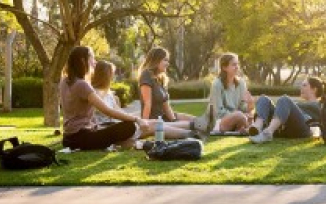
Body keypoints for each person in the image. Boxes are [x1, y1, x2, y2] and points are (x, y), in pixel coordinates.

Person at [60, 47, 212, 151]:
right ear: (82, 61)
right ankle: (189, 135)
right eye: (91, 58)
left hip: (71, 137)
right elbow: (108, 111)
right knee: (129, 127)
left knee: (139, 128)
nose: (94, 62)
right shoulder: (82, 85)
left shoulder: (65, 81)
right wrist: (136, 120)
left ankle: (189, 135)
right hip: (80, 137)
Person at [138, 47, 214, 135]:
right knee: (193, 126)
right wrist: (145, 125)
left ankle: (214, 125)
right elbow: (147, 103)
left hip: (165, 117)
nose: (168, 63)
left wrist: (174, 121)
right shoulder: (146, 75)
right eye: (165, 60)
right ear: (156, 60)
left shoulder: (160, 78)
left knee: (199, 121)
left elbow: (165, 105)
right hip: (155, 121)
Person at [248, 77, 326, 144]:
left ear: (314, 89)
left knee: (284, 99)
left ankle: (268, 132)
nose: (301, 88)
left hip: (302, 130)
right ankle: (257, 127)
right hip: (284, 129)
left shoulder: (319, 105)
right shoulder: (298, 104)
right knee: (263, 99)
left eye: (304, 85)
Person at [209, 53, 255, 133]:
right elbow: (219, 112)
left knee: (250, 116)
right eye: (234, 64)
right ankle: (246, 128)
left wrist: (250, 105)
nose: (237, 67)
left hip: (239, 117)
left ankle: (243, 128)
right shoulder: (217, 84)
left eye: (238, 64)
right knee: (240, 116)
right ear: (224, 67)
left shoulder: (241, 83)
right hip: (220, 121)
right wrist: (237, 115)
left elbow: (243, 107)